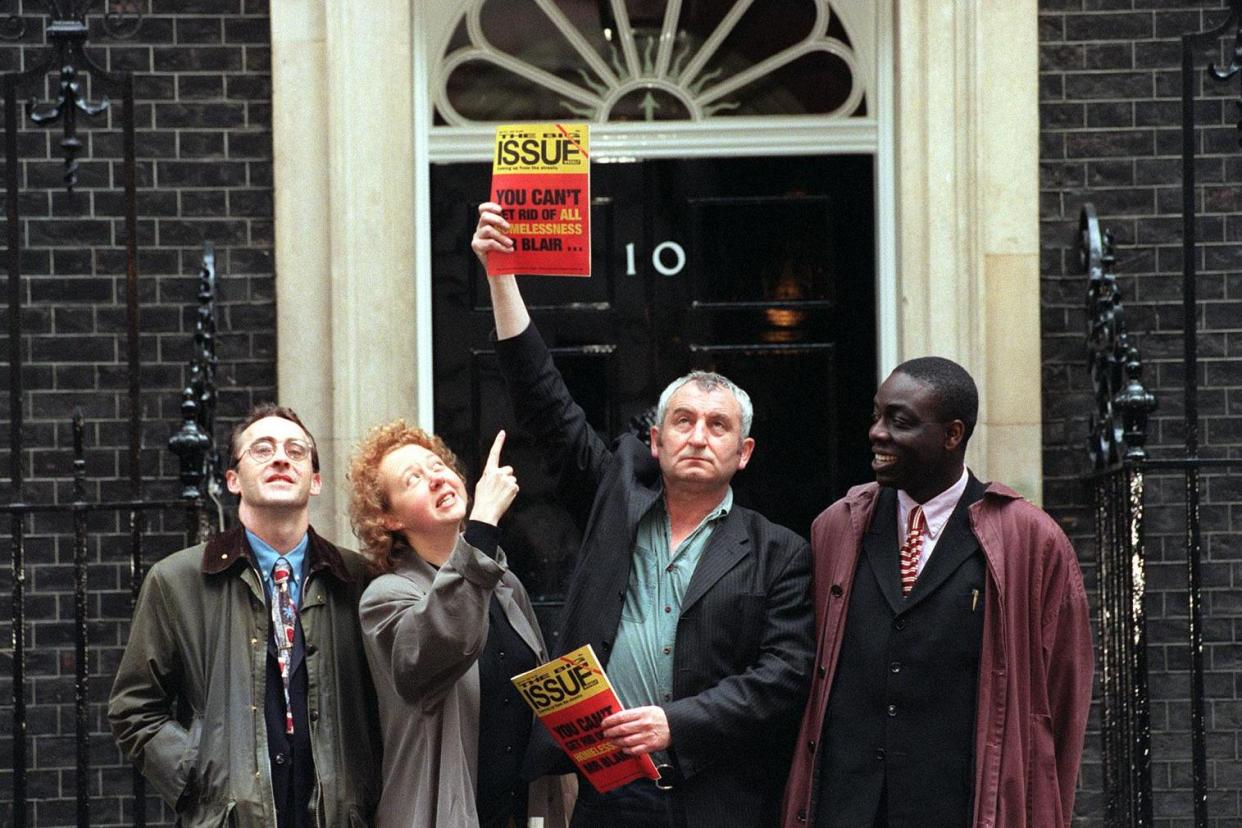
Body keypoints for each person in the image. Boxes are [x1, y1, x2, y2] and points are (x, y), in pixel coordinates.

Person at [472, 202, 815, 828]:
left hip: (722, 797)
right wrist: (501, 276)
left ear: (744, 453)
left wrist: (674, 724)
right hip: (611, 795)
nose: (698, 436)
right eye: (682, 421)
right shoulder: (613, 501)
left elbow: (784, 676)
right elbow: (545, 400)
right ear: (655, 440)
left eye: (718, 426)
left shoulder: (780, 551)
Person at [781, 358, 1094, 827]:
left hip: (962, 807)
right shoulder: (836, 526)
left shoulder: (1030, 539)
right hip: (846, 806)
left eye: (900, 421)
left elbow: (1063, 698)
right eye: (877, 416)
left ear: (952, 434)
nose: (877, 433)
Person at [108, 404, 380, 826]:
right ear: (233, 479)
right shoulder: (176, 580)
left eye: (296, 450)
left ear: (317, 481)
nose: (281, 458)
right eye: (262, 449)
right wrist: (199, 779)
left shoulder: (358, 579)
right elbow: (134, 707)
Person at [348, 420, 571, 828]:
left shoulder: (505, 584)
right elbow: (438, 649)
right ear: (390, 520)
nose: (434, 478)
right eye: (413, 479)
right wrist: (482, 524)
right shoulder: (387, 597)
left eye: (437, 466)